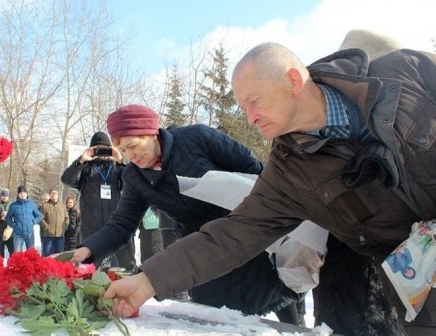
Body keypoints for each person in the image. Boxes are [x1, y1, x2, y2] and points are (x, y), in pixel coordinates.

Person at [102, 42, 436, 336]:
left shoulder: (408, 73)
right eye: (243, 106)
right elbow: (233, 234)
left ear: (292, 81)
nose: (249, 118)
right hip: (415, 280)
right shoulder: (288, 171)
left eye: (254, 101)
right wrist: (148, 280)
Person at [70, 104, 303, 322]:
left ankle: (298, 327)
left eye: (133, 146)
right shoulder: (134, 177)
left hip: (244, 227)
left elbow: (252, 168)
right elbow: (121, 225)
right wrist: (88, 250)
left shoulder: (197, 138)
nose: (131, 156)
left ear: (151, 133)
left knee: (271, 292)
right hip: (200, 245)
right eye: (123, 150)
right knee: (213, 314)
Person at [60, 131, 137, 271]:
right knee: (90, 269)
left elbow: (133, 182)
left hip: (117, 226)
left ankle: (126, 291)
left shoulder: (117, 169)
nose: (101, 152)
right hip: (91, 227)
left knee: (126, 266)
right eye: (97, 148)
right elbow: (66, 179)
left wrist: (120, 161)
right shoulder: (85, 170)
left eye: (105, 148)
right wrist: (81, 160)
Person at [5, 186, 42, 252]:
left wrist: (33, 222)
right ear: (18, 195)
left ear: (27, 194)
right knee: (17, 254)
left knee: (31, 254)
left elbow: (39, 216)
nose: (22, 195)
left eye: (24, 193)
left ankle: (30, 262)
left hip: (29, 233)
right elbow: (8, 218)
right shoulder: (13, 205)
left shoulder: (32, 205)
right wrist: (14, 225)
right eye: (21, 193)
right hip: (18, 234)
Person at [40, 189, 69, 257]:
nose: (54, 195)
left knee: (59, 255)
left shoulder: (62, 206)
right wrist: (46, 227)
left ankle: (58, 268)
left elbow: (66, 218)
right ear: (49, 196)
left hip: (60, 235)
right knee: (48, 255)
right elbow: (40, 218)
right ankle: (47, 268)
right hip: (48, 235)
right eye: (52, 193)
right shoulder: (45, 206)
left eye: (55, 193)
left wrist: (65, 227)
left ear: (58, 195)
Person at [0, 188, 14, 257]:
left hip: (10, 232)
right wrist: (0, 217)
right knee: (0, 254)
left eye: (6, 196)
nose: (5, 197)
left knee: (13, 252)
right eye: (3, 195)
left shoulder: (12, 205)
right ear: (0, 196)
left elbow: (15, 216)